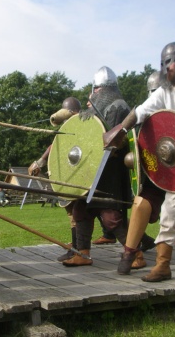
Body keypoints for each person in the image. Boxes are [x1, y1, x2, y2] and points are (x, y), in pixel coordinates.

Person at [105, 42, 175, 282]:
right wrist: (121, 128)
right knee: (169, 214)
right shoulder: (165, 91)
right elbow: (141, 111)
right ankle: (163, 266)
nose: (165, 67)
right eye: (162, 63)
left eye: (169, 61)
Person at [62, 66, 136, 267]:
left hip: (110, 171)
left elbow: (114, 140)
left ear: (101, 88)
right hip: (93, 170)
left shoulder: (119, 107)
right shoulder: (95, 109)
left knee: (110, 217)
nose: (93, 94)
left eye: (95, 90)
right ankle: (83, 254)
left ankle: (136, 254)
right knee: (81, 210)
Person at [28, 97, 82, 261]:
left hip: (82, 177)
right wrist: (41, 162)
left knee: (105, 217)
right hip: (69, 175)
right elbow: (54, 145)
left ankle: (78, 249)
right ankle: (76, 247)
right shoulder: (67, 129)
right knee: (73, 213)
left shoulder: (83, 126)